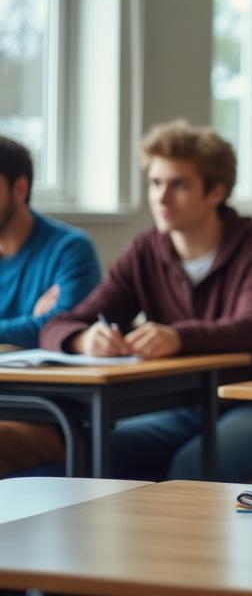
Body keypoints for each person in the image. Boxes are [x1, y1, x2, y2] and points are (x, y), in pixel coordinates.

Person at [39, 121, 252, 481]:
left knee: (190, 468)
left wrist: (178, 337)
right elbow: (61, 323)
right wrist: (82, 338)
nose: (161, 198)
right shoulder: (146, 249)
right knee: (101, 454)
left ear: (215, 192)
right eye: (155, 183)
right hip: (189, 407)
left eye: (178, 185)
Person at [0, 136, 102, 477]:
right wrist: (30, 321)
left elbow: (61, 327)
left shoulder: (70, 249)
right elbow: (36, 327)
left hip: (51, 413)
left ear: (19, 188)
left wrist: (41, 324)